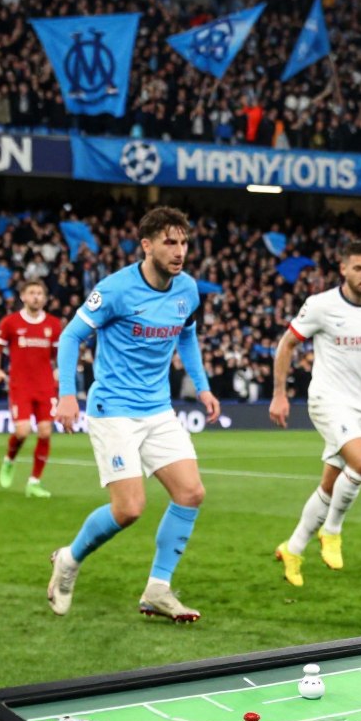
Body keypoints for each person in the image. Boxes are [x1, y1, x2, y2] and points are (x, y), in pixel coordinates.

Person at [48, 207, 220, 621]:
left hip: (158, 409)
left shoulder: (188, 290)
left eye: (184, 243)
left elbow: (188, 337)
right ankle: (68, 560)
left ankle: (157, 590)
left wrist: (203, 386)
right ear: (147, 245)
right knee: (129, 509)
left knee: (191, 493)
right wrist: (67, 395)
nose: (180, 252)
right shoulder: (116, 289)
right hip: (114, 410)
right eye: (169, 243)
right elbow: (71, 335)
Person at [270, 239, 361, 587]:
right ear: (344, 269)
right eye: (359, 268)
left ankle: (293, 548)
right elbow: (287, 344)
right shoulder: (321, 306)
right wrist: (279, 394)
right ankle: (332, 531)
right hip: (327, 399)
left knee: (329, 484)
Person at [0, 279, 61, 497]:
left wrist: (60, 369)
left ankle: (34, 482)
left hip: (45, 386)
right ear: (23, 296)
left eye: (39, 293)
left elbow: (59, 355)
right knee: (22, 431)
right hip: (20, 385)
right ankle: (9, 459)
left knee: (45, 432)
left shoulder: (53, 324)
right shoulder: (10, 322)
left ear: (44, 298)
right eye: (31, 292)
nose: (36, 297)